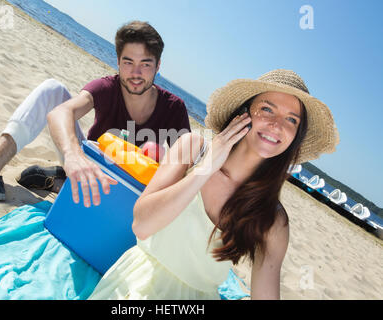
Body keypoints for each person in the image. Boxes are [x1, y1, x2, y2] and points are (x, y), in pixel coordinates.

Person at [88, 69, 339, 300]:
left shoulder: (273, 219)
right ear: (244, 113)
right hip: (136, 283)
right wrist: (205, 169)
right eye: (267, 109)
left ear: (295, 136)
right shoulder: (193, 147)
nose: (277, 125)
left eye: (292, 120)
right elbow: (142, 225)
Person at [0, 21, 191, 207]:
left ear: (158, 66)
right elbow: (60, 112)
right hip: (87, 167)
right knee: (52, 89)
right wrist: (73, 156)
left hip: (134, 196)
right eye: (128, 62)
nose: (136, 73)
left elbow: (188, 167)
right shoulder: (107, 87)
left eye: (145, 64)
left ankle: (58, 182)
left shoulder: (174, 108)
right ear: (118, 62)